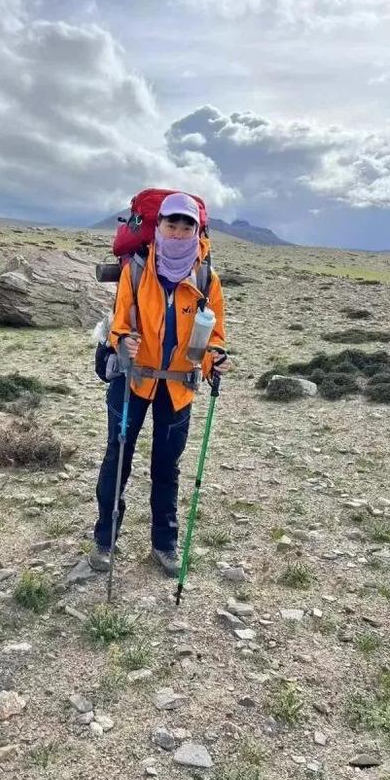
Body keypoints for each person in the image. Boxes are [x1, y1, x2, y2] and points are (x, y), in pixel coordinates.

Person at [90, 192, 231, 577]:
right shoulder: (136, 271)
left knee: (167, 467)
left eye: (188, 226)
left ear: (197, 231)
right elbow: (119, 323)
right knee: (117, 460)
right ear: (159, 226)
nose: (180, 231)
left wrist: (215, 356)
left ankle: (164, 544)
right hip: (132, 379)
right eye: (172, 223)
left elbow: (214, 332)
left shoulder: (206, 277)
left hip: (179, 386)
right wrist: (123, 341)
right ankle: (105, 540)